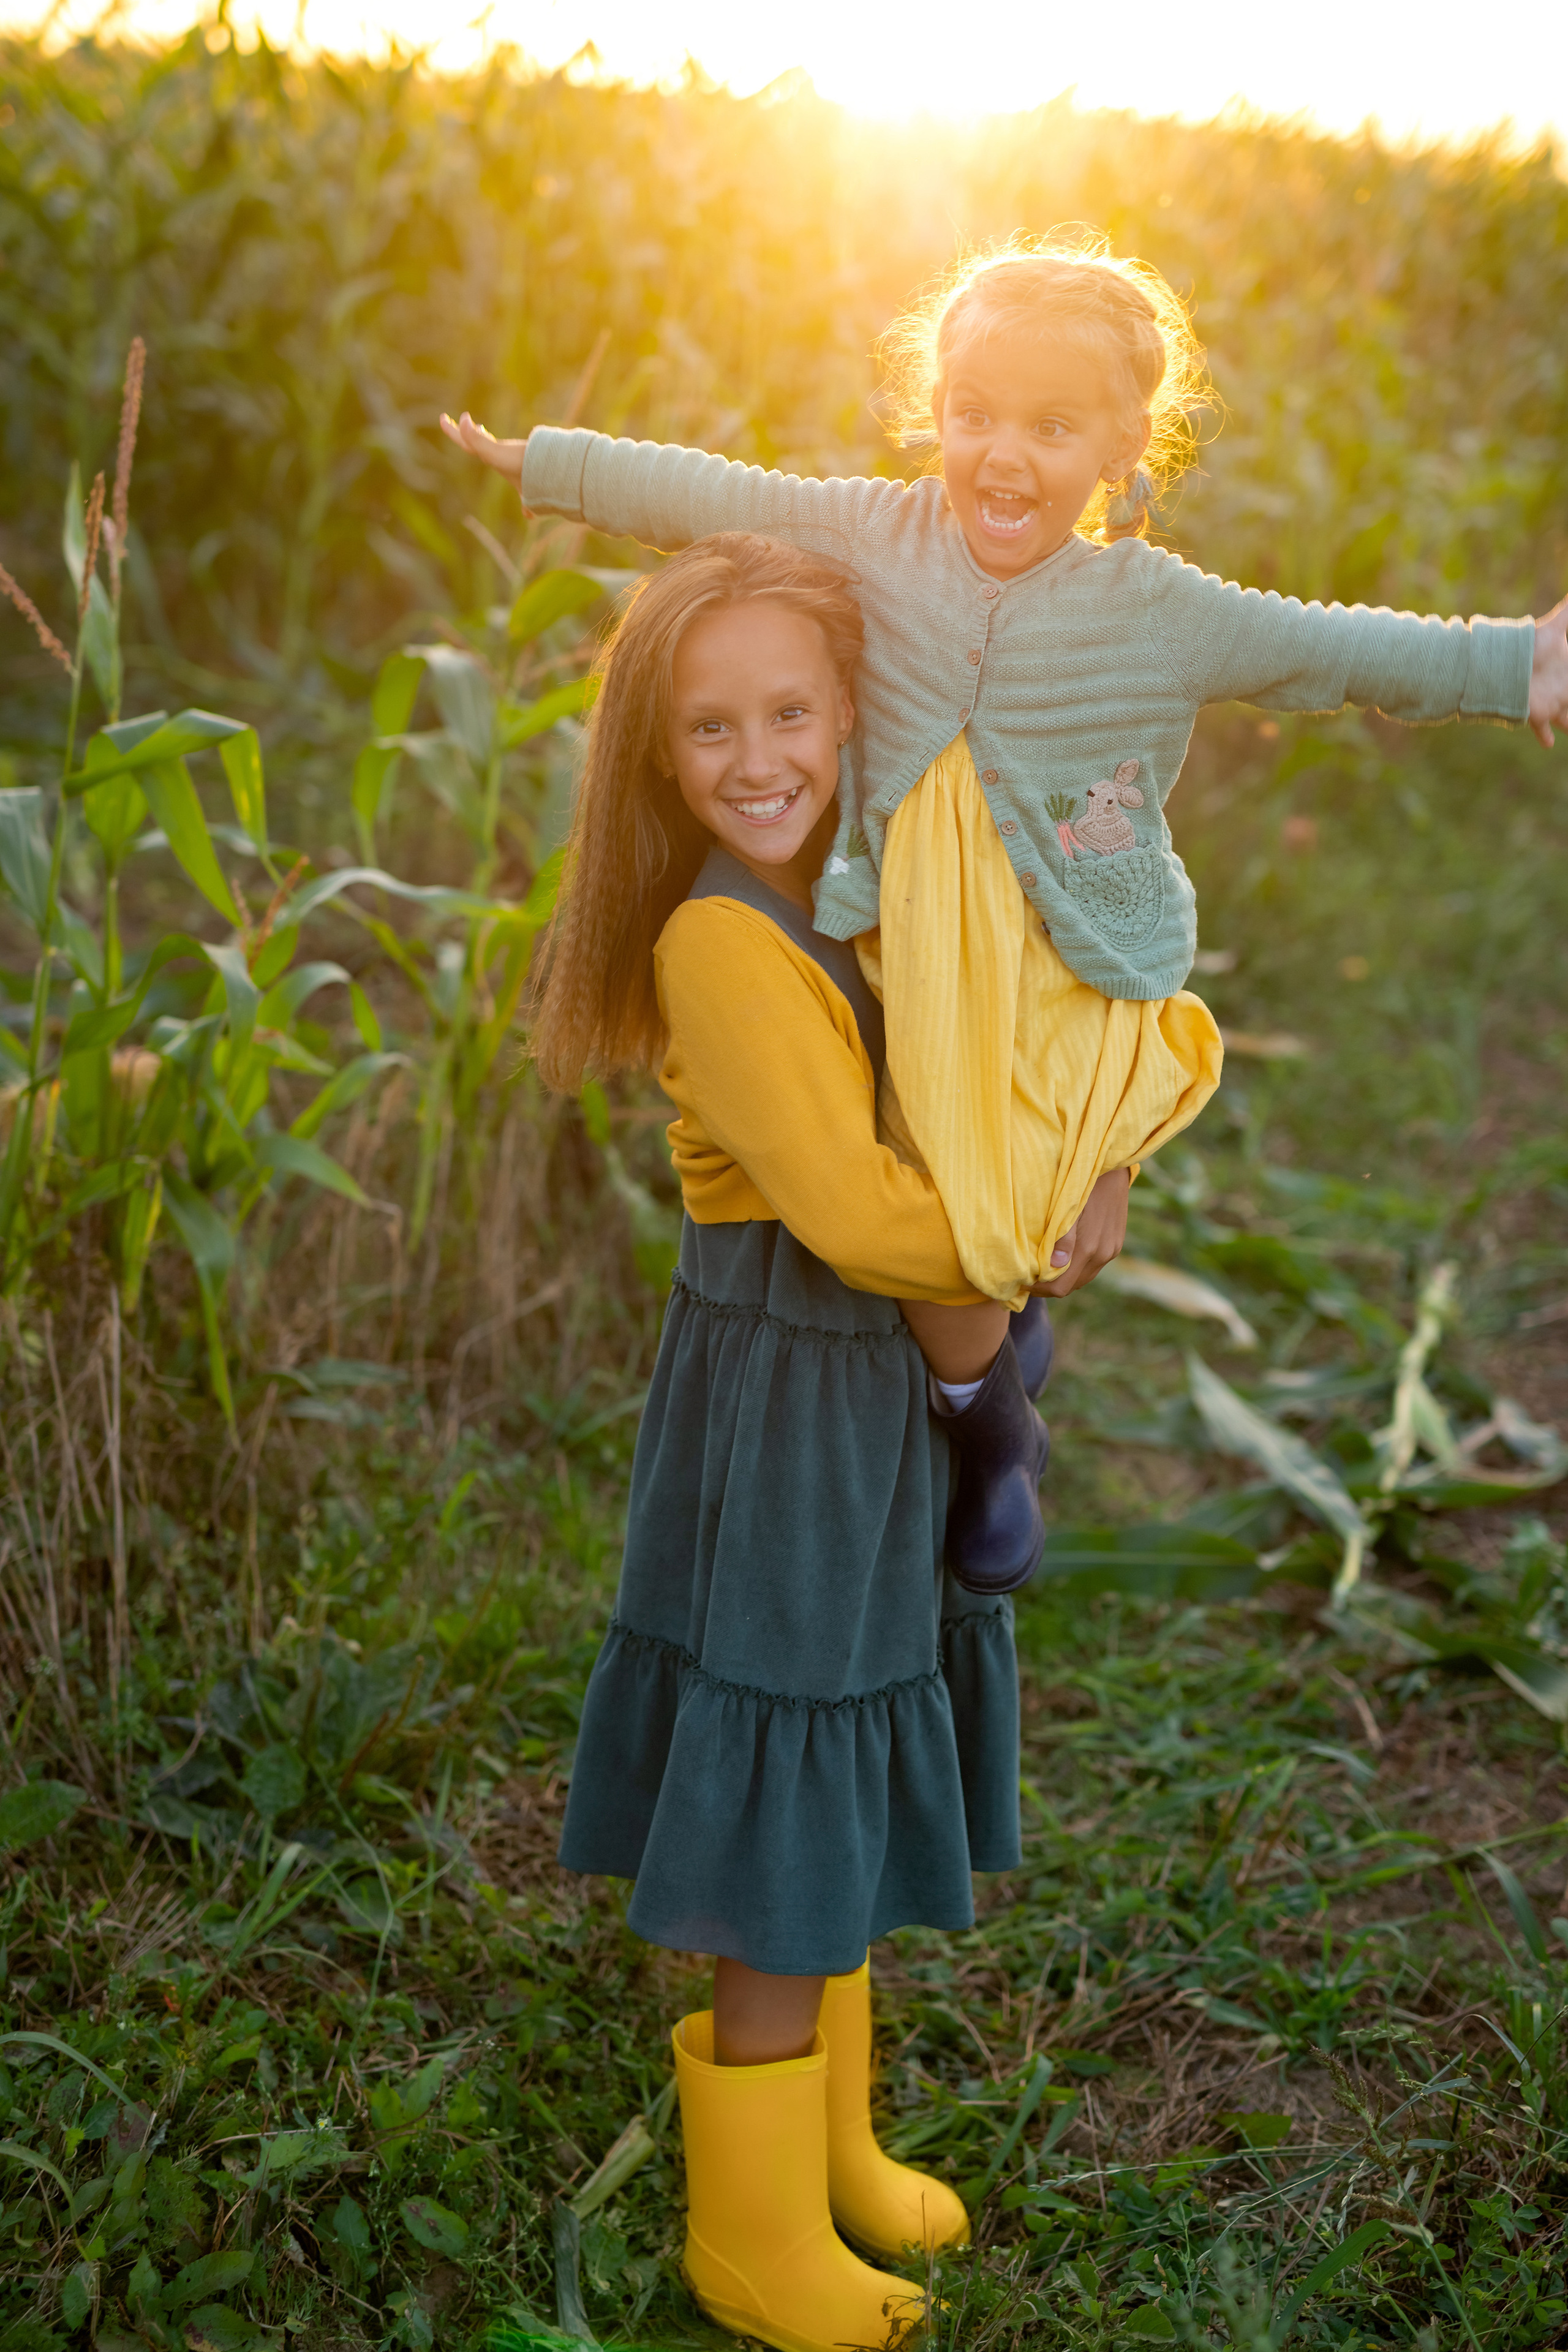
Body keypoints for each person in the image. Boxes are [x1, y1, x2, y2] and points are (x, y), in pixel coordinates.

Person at [444, 232, 1568, 1594]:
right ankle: (992, 1425)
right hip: (916, 950)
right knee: (950, 1184)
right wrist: (547, 465)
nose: (1002, 456)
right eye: (973, 415)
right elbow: (717, 495)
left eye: (1049, 426)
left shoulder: (1157, 608)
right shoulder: (881, 536)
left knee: (1038, 1178)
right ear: (935, 412)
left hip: (1068, 958)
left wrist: (1518, 665)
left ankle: (981, 1369)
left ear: (1119, 442)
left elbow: (1334, 652)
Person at [528, 530, 1057, 2352]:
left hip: (873, 1399)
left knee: (849, 1718)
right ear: (655, 765)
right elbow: (854, 1211)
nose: (759, 761)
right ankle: (748, 2233)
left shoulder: (850, 890)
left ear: (852, 711)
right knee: (797, 1754)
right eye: (707, 733)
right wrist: (1026, 1233)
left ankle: (830, 2142)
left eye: (793, 712)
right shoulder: (720, 942)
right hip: (800, 1399)